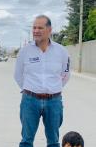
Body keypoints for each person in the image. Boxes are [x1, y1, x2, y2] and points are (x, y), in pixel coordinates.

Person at [14, 15, 70, 147]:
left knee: (53, 142)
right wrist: (29, 89)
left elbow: (66, 75)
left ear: (49, 29)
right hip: (29, 101)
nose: (36, 30)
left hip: (54, 102)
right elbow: (18, 75)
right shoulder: (25, 51)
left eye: (40, 27)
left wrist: (53, 88)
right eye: (34, 27)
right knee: (26, 141)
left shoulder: (62, 52)